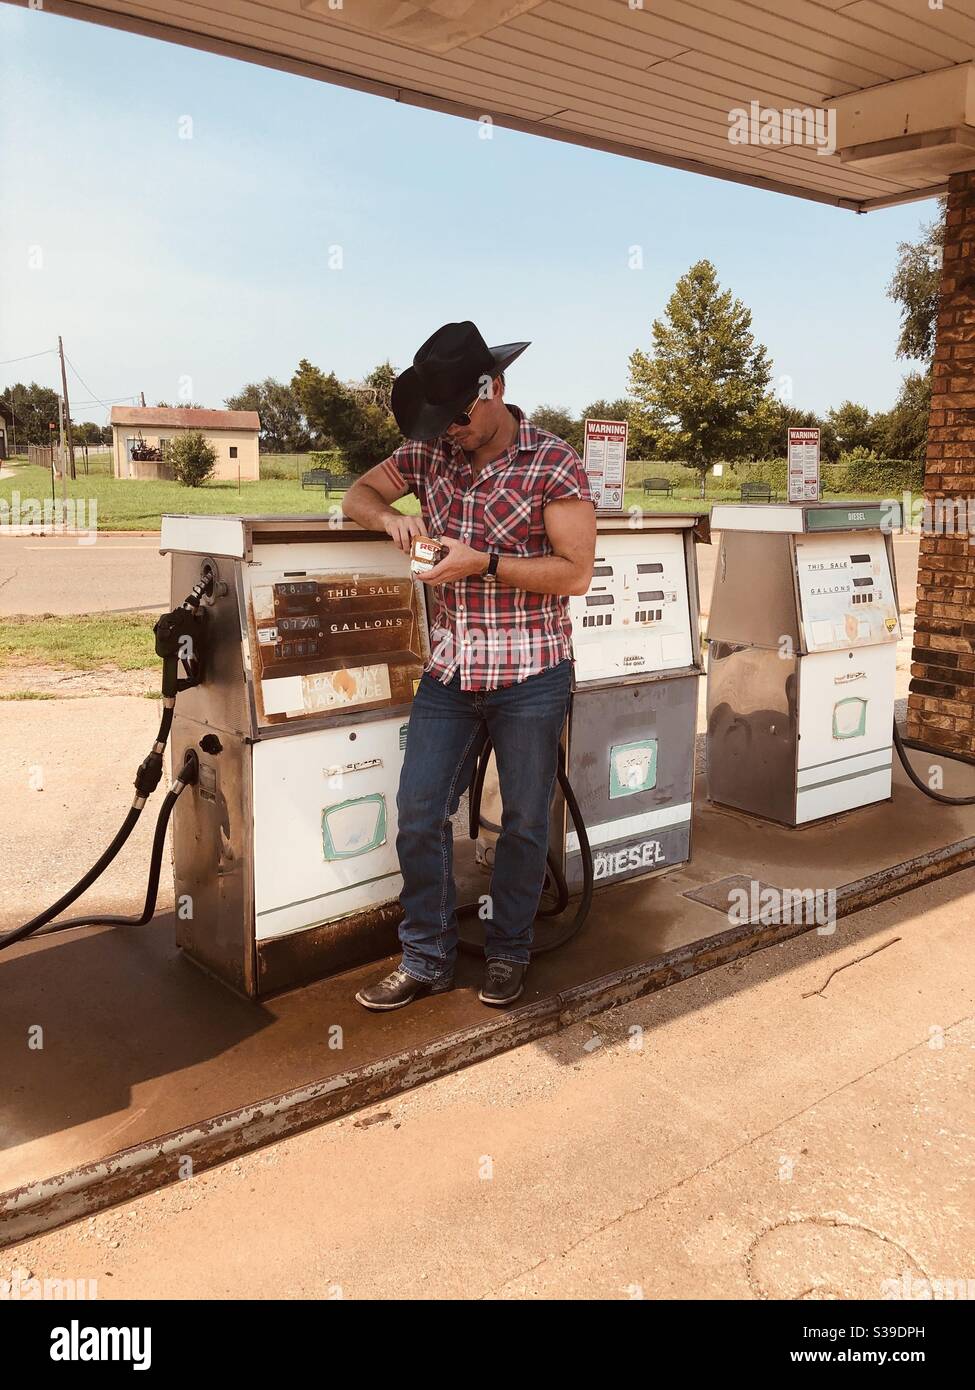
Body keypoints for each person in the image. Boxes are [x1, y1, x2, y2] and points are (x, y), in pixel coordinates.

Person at [342, 321, 596, 1010]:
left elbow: (574, 574)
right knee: (419, 811)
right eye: (437, 421)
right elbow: (357, 494)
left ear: (495, 391)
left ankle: (509, 950)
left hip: (531, 675)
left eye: (456, 416)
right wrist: (388, 522)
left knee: (521, 822)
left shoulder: (553, 461)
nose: (446, 431)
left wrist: (480, 564)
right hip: (450, 673)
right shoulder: (427, 453)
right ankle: (425, 956)